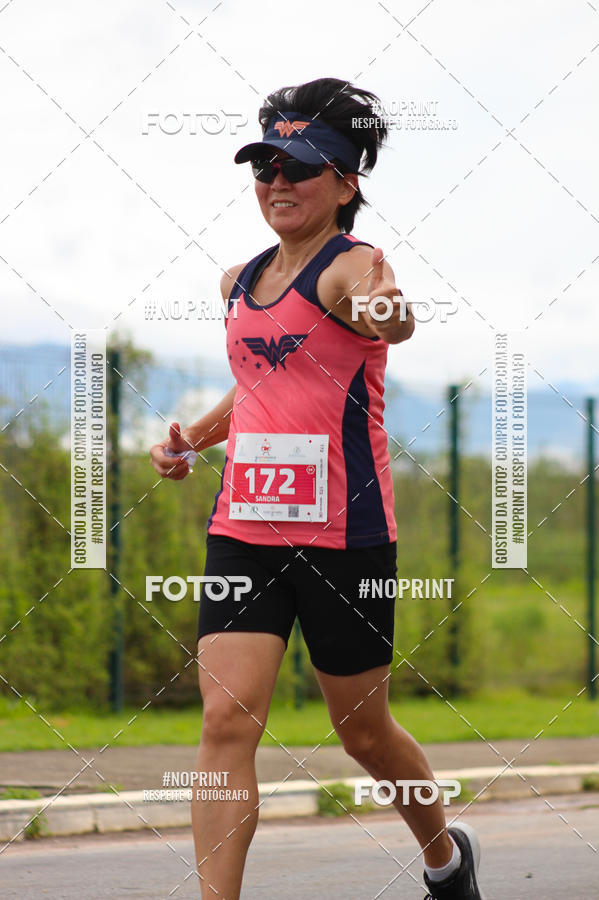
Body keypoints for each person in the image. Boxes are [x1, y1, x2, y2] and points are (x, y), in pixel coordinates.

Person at [150, 77, 485, 900]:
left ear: (345, 183)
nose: (277, 182)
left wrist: (391, 312)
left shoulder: (355, 267)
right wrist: (194, 437)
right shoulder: (238, 279)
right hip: (246, 529)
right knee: (226, 723)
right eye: (265, 166)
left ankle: (444, 854)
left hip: (347, 537)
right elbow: (264, 383)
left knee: (362, 733)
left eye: (299, 167)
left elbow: (385, 318)